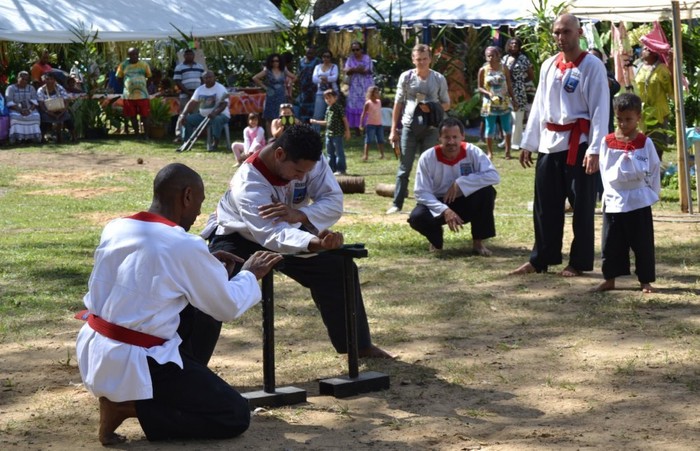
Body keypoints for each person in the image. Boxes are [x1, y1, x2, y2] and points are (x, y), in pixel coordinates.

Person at [75, 163, 282, 445]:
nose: (198, 212)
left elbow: (153, 274)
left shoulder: (117, 227)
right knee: (233, 414)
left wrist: (204, 266)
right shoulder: (182, 245)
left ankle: (163, 390)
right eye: (199, 202)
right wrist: (250, 273)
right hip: (139, 360)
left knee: (191, 312)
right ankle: (126, 407)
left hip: (95, 350)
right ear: (186, 196)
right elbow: (226, 307)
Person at [208, 124, 392, 359]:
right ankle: (192, 361)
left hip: (291, 227)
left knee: (338, 269)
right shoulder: (248, 182)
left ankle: (358, 345)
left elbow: (333, 200)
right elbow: (272, 235)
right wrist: (316, 243)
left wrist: (302, 215)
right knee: (213, 286)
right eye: (297, 172)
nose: (303, 177)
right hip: (239, 234)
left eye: (307, 172)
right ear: (279, 154)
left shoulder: (310, 160)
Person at [511, 13, 610, 277]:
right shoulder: (548, 65)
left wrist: (595, 149)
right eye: (556, 32)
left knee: (582, 207)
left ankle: (578, 262)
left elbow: (601, 109)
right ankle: (541, 258)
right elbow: (539, 107)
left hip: (580, 143)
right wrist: (528, 142)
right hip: (549, 143)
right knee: (545, 205)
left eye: (566, 32)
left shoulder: (592, 65)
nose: (560, 37)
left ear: (579, 33)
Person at [591, 93, 660, 293]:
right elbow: (604, 169)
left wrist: (651, 193)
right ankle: (609, 278)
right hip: (615, 198)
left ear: (638, 117)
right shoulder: (607, 142)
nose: (623, 124)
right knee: (610, 242)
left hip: (638, 197)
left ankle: (645, 281)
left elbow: (654, 168)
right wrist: (608, 194)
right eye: (619, 119)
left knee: (643, 242)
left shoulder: (645, 143)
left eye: (628, 119)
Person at [408, 117, 499, 255]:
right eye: (447, 137)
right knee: (417, 217)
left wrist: (461, 183)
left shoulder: (473, 151)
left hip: (465, 201)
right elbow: (421, 192)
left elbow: (493, 176)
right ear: (439, 138)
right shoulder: (427, 157)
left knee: (487, 192)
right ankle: (436, 240)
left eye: (455, 137)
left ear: (462, 136)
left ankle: (478, 243)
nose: (451, 142)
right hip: (438, 203)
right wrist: (445, 210)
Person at [387, 43, 450, 215]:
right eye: (418, 59)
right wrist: (393, 130)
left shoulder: (438, 78)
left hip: (431, 128)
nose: (421, 62)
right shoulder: (406, 77)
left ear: (430, 59)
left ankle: (430, 204)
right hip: (409, 126)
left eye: (424, 59)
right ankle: (396, 204)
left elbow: (447, 103)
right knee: (403, 168)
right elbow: (398, 103)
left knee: (429, 168)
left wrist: (432, 107)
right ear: (413, 60)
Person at [478, 45, 516, 160]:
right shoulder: (483, 70)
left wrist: (513, 98)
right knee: (489, 127)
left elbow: (509, 84)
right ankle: (490, 152)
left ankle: (507, 151)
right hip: (489, 103)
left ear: (497, 56)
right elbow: (479, 87)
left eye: (492, 55)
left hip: (503, 101)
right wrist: (488, 93)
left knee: (506, 127)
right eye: (488, 56)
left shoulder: (504, 68)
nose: (490, 58)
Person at [634, 39, 673, 149]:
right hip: (640, 112)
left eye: (650, 48)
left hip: (658, 113)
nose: (647, 49)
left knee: (657, 144)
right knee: (640, 145)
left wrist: (671, 66)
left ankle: (657, 164)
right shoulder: (637, 67)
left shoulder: (662, 68)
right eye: (645, 48)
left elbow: (670, 88)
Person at [178, 70, 230, 151]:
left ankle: (215, 144)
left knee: (216, 120)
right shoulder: (199, 89)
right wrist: (184, 114)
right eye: (206, 78)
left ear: (214, 78)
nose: (208, 79)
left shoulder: (220, 88)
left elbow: (224, 104)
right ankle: (186, 143)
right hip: (202, 116)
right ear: (203, 79)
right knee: (187, 120)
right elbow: (192, 102)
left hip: (221, 115)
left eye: (210, 77)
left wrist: (215, 113)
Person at [501, 37, 534, 151]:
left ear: (519, 46)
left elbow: (531, 74)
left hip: (519, 90)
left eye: (516, 44)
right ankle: (506, 140)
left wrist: (521, 82)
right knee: (506, 116)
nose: (513, 45)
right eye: (511, 43)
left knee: (518, 117)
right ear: (508, 45)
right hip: (505, 90)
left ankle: (516, 142)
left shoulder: (523, 59)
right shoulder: (504, 59)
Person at [253, 53, 296, 138]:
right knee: (269, 118)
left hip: (281, 95)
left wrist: (289, 83)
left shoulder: (284, 69)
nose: (275, 63)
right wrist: (265, 87)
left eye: (277, 61)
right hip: (271, 95)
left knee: (281, 116)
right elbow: (255, 78)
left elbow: (294, 77)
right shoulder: (267, 70)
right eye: (273, 61)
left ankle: (281, 136)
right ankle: (270, 138)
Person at [310, 90, 350, 175]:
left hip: (337, 134)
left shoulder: (338, 107)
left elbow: (344, 119)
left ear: (335, 97)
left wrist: (347, 131)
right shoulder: (328, 109)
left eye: (330, 98)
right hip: (329, 134)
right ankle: (331, 169)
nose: (328, 100)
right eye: (326, 98)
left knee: (339, 152)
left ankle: (341, 169)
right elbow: (327, 122)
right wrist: (316, 121)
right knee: (330, 153)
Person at [116, 47, 152, 138]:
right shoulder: (123, 65)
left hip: (143, 95)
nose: (134, 56)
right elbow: (118, 78)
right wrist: (127, 85)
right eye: (132, 54)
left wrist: (143, 86)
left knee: (145, 116)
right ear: (129, 55)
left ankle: (146, 135)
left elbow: (150, 77)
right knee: (132, 116)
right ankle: (137, 134)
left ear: (138, 54)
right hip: (129, 96)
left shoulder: (144, 65)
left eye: (136, 54)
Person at [344, 41, 374, 133]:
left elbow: (367, 70)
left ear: (361, 50)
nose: (355, 52)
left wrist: (353, 69)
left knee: (366, 104)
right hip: (354, 86)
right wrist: (356, 69)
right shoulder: (350, 59)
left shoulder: (367, 58)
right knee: (354, 105)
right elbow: (347, 71)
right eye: (353, 50)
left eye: (357, 49)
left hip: (365, 85)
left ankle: (367, 127)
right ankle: (356, 128)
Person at [37, 72, 76, 143]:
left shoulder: (59, 87)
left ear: (54, 80)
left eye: (51, 79)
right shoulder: (41, 90)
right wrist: (48, 112)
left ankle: (73, 137)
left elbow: (66, 100)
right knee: (44, 119)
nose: (49, 81)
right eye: (47, 79)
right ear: (44, 80)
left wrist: (63, 111)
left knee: (67, 117)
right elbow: (41, 104)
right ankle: (42, 138)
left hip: (61, 109)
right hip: (47, 110)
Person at [5, 71, 42, 144]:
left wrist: (30, 110)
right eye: (22, 79)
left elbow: (35, 101)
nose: (24, 81)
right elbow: (9, 102)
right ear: (17, 78)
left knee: (36, 116)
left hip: (29, 109)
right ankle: (18, 139)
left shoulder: (31, 88)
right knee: (15, 118)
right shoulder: (10, 88)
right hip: (15, 109)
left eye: (26, 80)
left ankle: (31, 138)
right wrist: (20, 110)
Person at [311, 49, 339, 133]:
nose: (326, 58)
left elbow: (335, 78)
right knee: (317, 114)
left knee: (334, 114)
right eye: (324, 56)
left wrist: (324, 78)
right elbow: (314, 79)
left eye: (328, 57)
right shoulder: (317, 67)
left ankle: (334, 132)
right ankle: (315, 133)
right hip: (320, 93)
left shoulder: (334, 66)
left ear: (331, 58)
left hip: (333, 93)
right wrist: (325, 79)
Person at [173, 49, 205, 116]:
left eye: (191, 54)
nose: (189, 56)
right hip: (185, 95)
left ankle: (195, 126)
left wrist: (198, 92)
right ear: (184, 56)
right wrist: (188, 92)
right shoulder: (179, 67)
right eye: (187, 54)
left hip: (197, 95)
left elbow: (203, 80)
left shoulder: (200, 67)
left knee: (196, 113)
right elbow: (177, 81)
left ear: (194, 56)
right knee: (184, 114)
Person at [295, 46, 321, 124]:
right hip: (303, 89)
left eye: (312, 53)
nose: (310, 54)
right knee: (303, 107)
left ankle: (312, 125)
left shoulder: (317, 61)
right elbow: (298, 74)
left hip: (313, 89)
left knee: (313, 109)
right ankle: (304, 125)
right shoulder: (301, 61)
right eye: (308, 52)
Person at [359, 86, 385, 161]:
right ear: (372, 94)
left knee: (381, 140)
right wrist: (361, 124)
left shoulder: (379, 102)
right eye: (376, 92)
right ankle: (365, 155)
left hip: (379, 124)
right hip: (370, 124)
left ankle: (382, 154)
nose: (378, 93)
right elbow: (363, 114)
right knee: (368, 140)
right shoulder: (368, 103)